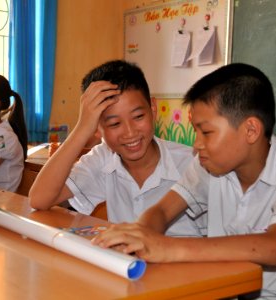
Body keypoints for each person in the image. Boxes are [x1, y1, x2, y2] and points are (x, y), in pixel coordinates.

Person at [92, 63, 276, 299]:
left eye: (206, 132)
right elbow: (162, 211)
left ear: (250, 130)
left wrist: (166, 248)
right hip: (229, 290)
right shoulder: (208, 166)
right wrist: (139, 236)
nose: (196, 145)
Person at [29, 60, 203, 237]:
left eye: (138, 116)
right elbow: (39, 199)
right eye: (114, 123)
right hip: (125, 264)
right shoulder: (104, 159)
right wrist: (82, 128)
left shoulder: (193, 164)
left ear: (153, 109)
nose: (129, 132)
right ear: (97, 128)